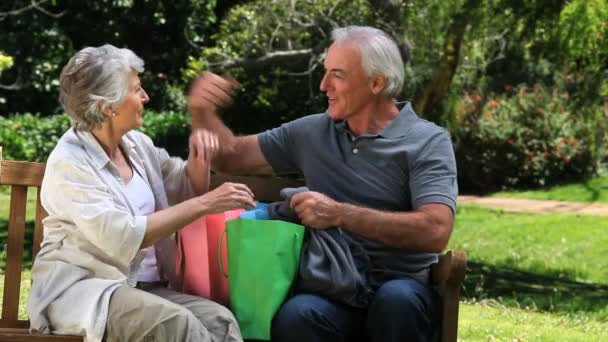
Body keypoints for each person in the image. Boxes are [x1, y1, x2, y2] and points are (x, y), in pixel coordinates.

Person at [188, 25, 458, 341]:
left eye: (337, 75)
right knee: (297, 315)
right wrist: (201, 111)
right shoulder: (312, 133)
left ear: (376, 82)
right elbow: (230, 156)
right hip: (333, 289)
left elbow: (436, 230)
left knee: (396, 301)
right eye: (325, 72)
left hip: (401, 287)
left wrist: (340, 214)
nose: (323, 84)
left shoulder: (427, 141)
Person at [26, 45, 256, 342]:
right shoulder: (70, 163)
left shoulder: (137, 145)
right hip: (86, 290)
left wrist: (199, 158)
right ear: (108, 106)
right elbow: (123, 236)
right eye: (136, 89)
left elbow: (182, 186)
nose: (145, 96)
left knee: (219, 321)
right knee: (174, 323)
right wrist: (206, 203)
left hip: (143, 287)